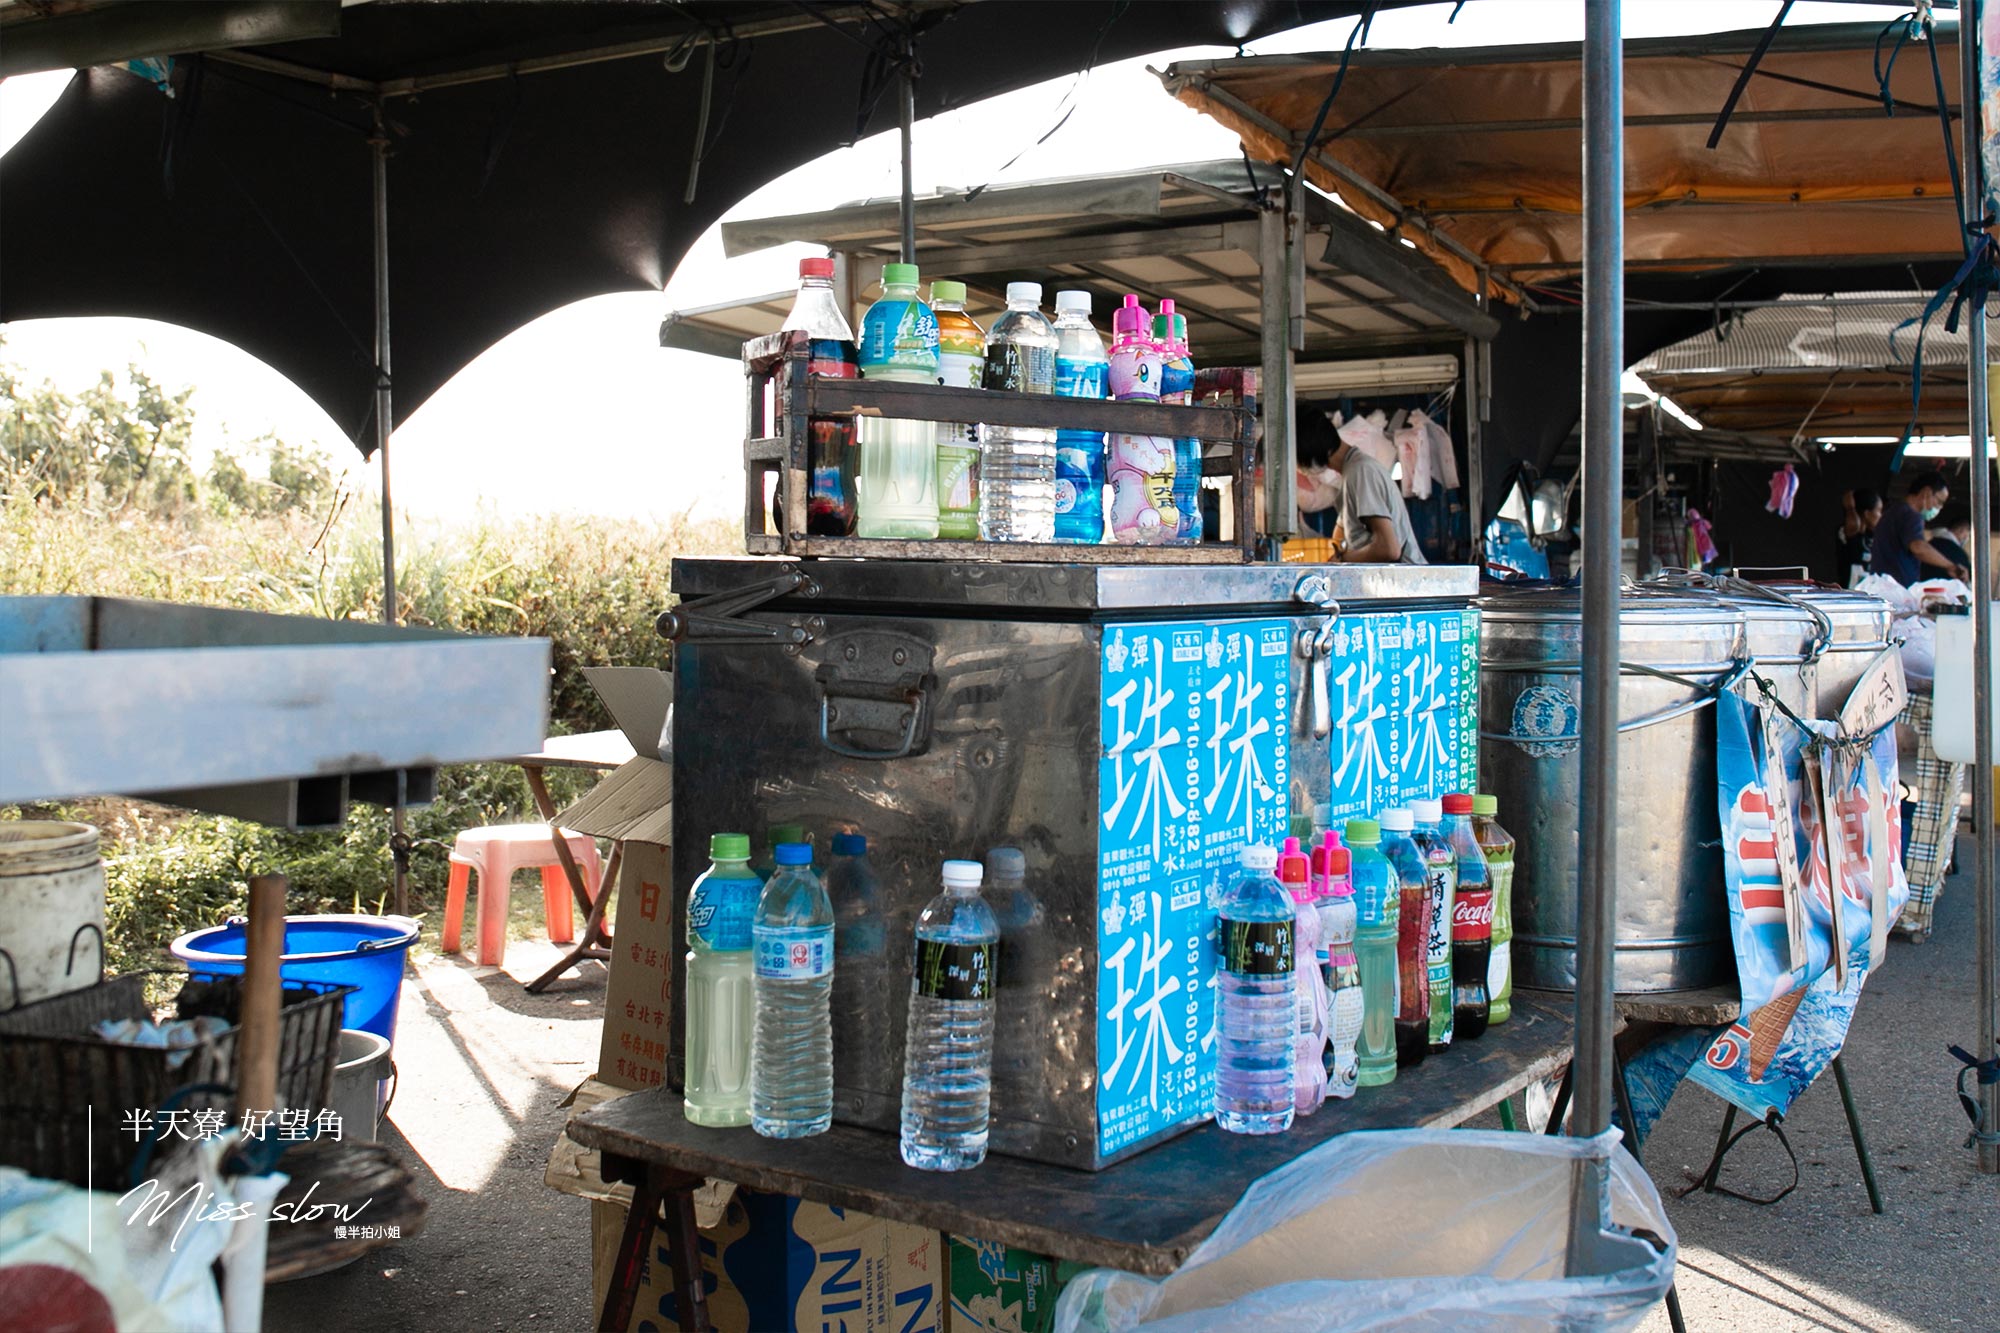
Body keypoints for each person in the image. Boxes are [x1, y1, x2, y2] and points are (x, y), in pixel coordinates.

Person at [1306, 409, 1426, 564]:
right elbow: (1340, 535)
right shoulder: (1350, 474)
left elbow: (1389, 549)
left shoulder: (1360, 471)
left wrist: (1343, 560)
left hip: (1401, 577)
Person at [1873, 471, 1965, 585]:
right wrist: (1950, 565)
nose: (1940, 507)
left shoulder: (1893, 511)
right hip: (1896, 588)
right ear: (1927, 492)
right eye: (1939, 502)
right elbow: (1919, 547)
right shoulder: (1911, 515)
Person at [1836, 487, 1881, 580]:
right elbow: (1854, 524)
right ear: (1867, 514)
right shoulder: (1849, 532)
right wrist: (1850, 507)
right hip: (1848, 587)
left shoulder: (1870, 536)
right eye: (1879, 511)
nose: (1880, 516)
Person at [1927, 509, 1973, 578]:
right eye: (1967, 531)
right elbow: (1970, 574)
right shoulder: (1958, 553)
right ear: (1961, 530)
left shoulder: (1929, 545)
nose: (1967, 536)